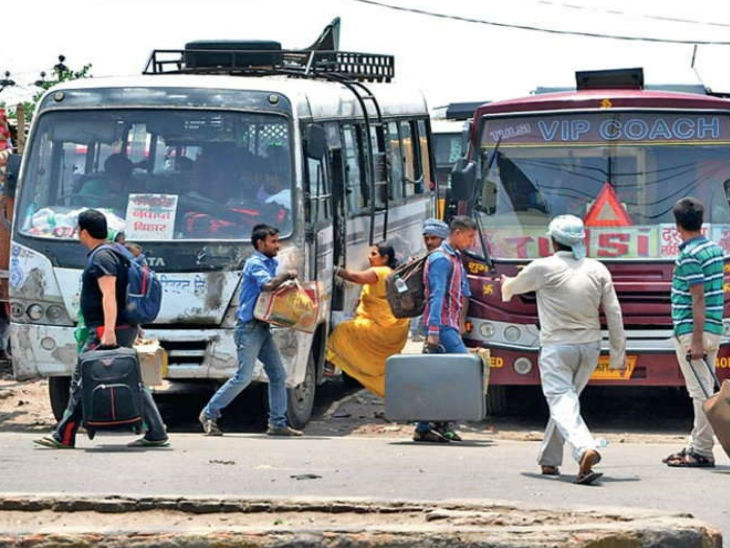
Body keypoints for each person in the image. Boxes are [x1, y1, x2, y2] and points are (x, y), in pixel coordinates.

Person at [501, 215, 625, 485]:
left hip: (557, 346)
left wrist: (505, 283)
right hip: (591, 347)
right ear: (582, 240)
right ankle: (549, 460)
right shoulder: (598, 268)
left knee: (561, 401)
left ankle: (584, 448)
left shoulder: (543, 267)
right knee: (566, 404)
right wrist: (618, 354)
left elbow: (511, 288)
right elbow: (614, 312)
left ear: (552, 240)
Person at [34, 209, 169, 448]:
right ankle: (157, 432)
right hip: (122, 325)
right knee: (132, 380)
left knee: (83, 379)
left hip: (107, 328)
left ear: (83, 232)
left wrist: (108, 331)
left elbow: (109, 295)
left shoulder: (101, 257)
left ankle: (63, 435)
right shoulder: (118, 251)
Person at [199, 224, 303, 437]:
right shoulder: (255, 263)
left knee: (277, 375)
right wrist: (286, 276)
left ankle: (277, 424)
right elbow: (267, 286)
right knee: (243, 377)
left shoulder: (271, 262)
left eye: (277, 241)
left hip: (262, 326)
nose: (277, 245)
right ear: (260, 243)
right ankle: (209, 414)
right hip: (248, 328)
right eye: (273, 242)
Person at [662, 198, 724, 468]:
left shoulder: (688, 255)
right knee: (705, 390)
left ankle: (701, 451)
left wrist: (695, 340)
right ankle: (695, 444)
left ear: (677, 226)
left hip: (693, 331)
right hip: (714, 327)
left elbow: (697, 298)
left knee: (700, 393)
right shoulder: (714, 249)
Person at [413, 215, 477, 443]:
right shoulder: (441, 259)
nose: (471, 242)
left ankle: (430, 426)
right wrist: (433, 331)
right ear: (457, 233)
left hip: (447, 325)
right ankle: (437, 424)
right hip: (441, 326)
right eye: (469, 237)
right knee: (465, 372)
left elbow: (462, 292)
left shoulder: (455, 257)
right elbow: (436, 295)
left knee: (437, 376)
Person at [325, 243, 410, 396]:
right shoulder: (393, 273)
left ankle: (330, 365)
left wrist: (334, 269)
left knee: (342, 330)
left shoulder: (380, 271)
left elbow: (355, 277)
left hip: (382, 326)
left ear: (385, 258)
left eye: (374, 254)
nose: (369, 257)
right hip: (393, 327)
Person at [410, 218, 450, 342]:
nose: (429, 242)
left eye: (433, 238)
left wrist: (434, 330)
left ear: (442, 239)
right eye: (426, 238)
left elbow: (437, 295)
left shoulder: (439, 260)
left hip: (443, 323)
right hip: (435, 322)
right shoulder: (430, 258)